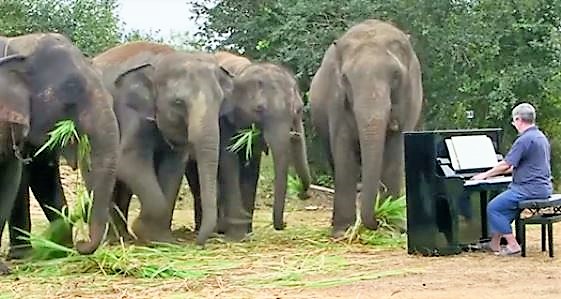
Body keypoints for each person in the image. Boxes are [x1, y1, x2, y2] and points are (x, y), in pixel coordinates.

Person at [471, 102, 552, 256]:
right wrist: (500, 172)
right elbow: (513, 166)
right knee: (505, 209)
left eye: (514, 121)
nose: (514, 124)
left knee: (494, 207)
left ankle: (513, 246)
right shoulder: (539, 136)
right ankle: (494, 244)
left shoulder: (524, 139)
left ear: (518, 119)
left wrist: (483, 175)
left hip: (529, 188)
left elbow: (506, 164)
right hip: (542, 187)